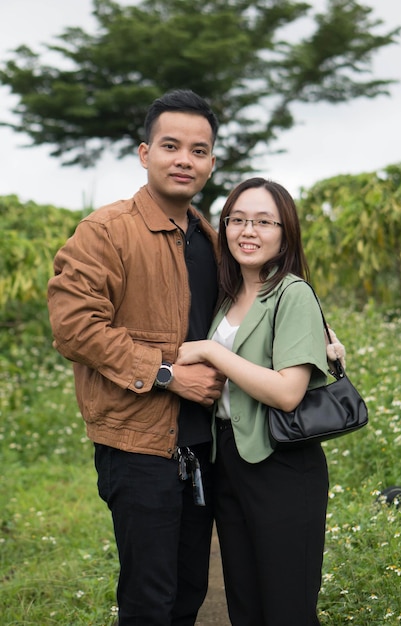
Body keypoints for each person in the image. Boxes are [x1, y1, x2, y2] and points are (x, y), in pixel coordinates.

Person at [47, 89, 226, 626]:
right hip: (137, 444)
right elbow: (74, 327)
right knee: (149, 598)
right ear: (145, 153)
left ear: (212, 163)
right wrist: (168, 375)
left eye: (199, 150)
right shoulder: (106, 232)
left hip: (205, 443)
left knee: (191, 589)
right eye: (170, 146)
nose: (184, 160)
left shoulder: (212, 239)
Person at [176, 176, 332, 625]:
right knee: (244, 605)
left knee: (286, 607)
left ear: (285, 234)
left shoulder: (292, 293)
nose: (249, 231)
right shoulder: (225, 297)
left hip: (282, 464)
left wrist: (210, 351)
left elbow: (287, 392)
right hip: (229, 459)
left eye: (264, 222)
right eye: (238, 219)